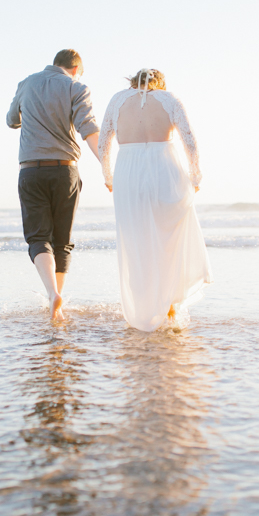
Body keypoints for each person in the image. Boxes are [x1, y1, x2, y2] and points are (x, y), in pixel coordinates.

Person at [98, 69, 212, 331]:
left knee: (135, 240)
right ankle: (170, 304)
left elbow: (104, 143)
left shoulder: (117, 100)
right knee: (169, 239)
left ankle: (145, 307)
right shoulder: (170, 99)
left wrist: (108, 176)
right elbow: (190, 142)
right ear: (159, 84)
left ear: (133, 83)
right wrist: (195, 177)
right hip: (165, 171)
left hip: (128, 173)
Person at [7, 49, 101, 321]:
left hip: (31, 171)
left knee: (38, 237)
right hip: (65, 171)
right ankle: (57, 296)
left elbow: (12, 120)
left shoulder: (27, 83)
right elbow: (88, 129)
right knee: (62, 241)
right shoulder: (77, 86)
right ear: (75, 69)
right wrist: (107, 166)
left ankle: (51, 294)